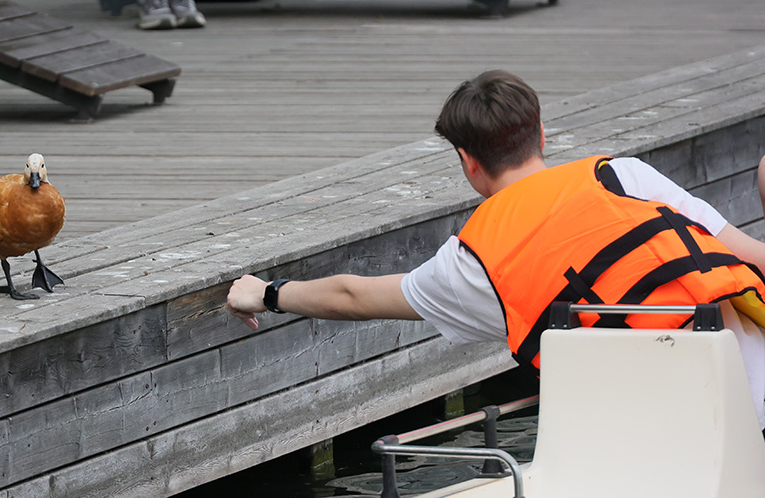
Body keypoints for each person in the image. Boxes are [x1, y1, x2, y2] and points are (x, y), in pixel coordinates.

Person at [225, 70, 765, 429]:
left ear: (467, 160)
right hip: (754, 395)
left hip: (651, 429)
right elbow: (750, 258)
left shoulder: (471, 261)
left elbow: (352, 295)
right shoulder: (621, 175)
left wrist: (267, 293)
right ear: (542, 134)